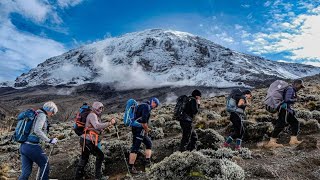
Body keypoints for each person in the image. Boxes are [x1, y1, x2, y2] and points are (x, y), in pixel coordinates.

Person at [75, 102, 116, 180]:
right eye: (99, 108)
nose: (100, 109)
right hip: (88, 141)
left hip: (85, 140)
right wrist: (109, 123)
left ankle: (78, 177)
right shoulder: (92, 115)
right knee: (100, 156)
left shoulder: (94, 115)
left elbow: (96, 126)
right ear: (95, 108)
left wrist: (104, 126)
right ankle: (98, 177)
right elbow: (96, 126)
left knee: (84, 157)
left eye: (101, 108)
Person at [19, 101, 59, 180]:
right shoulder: (42, 115)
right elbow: (37, 130)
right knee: (45, 165)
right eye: (53, 112)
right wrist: (49, 140)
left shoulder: (35, 114)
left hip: (24, 146)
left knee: (26, 172)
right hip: (32, 146)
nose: (53, 114)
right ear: (49, 110)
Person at [265, 79, 305, 148]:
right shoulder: (290, 89)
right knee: (281, 123)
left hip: (285, 109)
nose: (300, 88)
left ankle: (293, 140)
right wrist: (295, 100)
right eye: (300, 86)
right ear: (296, 84)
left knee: (295, 122)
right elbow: (287, 100)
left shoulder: (290, 89)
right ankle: (272, 142)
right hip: (284, 108)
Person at [128, 97, 160, 174]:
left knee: (149, 143)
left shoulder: (143, 104)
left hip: (136, 128)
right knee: (135, 148)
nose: (155, 107)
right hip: (139, 129)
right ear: (154, 102)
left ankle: (147, 161)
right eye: (156, 105)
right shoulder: (147, 107)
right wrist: (147, 130)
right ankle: (131, 167)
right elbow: (144, 123)